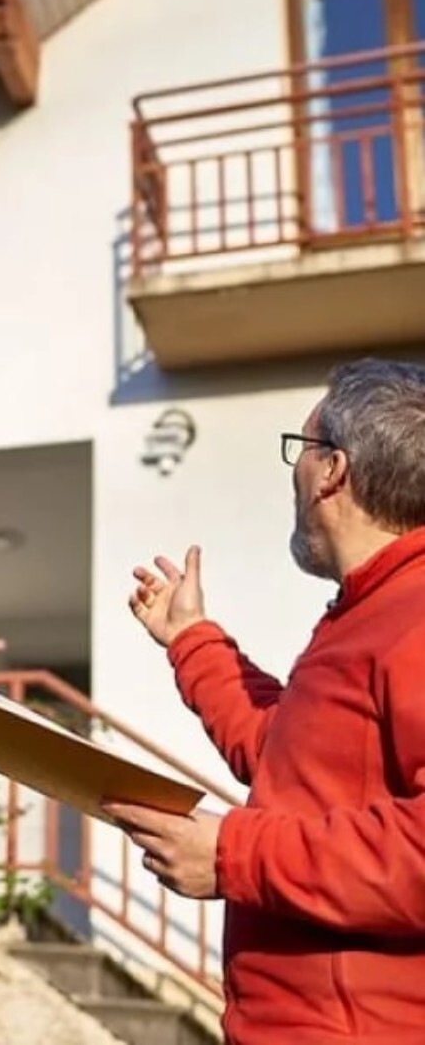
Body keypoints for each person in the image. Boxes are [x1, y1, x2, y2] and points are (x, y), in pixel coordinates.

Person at [107, 358, 425, 1044]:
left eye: (302, 449)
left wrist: (231, 855)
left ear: (333, 471)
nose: (295, 473)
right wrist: (190, 639)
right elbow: (283, 755)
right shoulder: (367, 611)